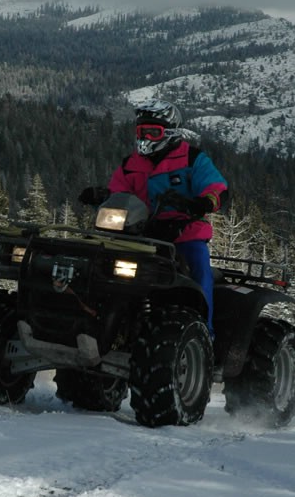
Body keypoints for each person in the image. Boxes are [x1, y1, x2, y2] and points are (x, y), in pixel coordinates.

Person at [79, 100, 228, 334]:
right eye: (141, 131)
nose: (145, 137)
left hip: (183, 233)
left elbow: (216, 186)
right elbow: (120, 193)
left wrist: (203, 202)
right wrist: (103, 195)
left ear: (169, 133)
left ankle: (203, 332)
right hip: (139, 232)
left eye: (152, 132)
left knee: (199, 268)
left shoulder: (192, 159)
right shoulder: (131, 164)